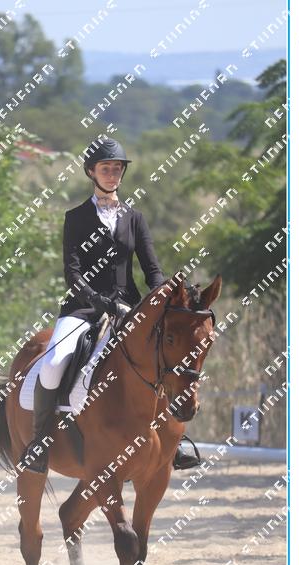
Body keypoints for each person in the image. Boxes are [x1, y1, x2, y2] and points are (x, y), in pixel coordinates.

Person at [18, 138, 201, 474]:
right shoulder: (76, 218)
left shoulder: (134, 218)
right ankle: (40, 443)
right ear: (91, 171)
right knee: (54, 362)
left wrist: (162, 299)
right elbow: (73, 274)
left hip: (130, 310)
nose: (113, 173)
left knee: (162, 359)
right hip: (83, 309)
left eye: (117, 168)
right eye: (106, 168)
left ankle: (174, 443)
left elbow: (152, 270)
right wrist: (101, 303)